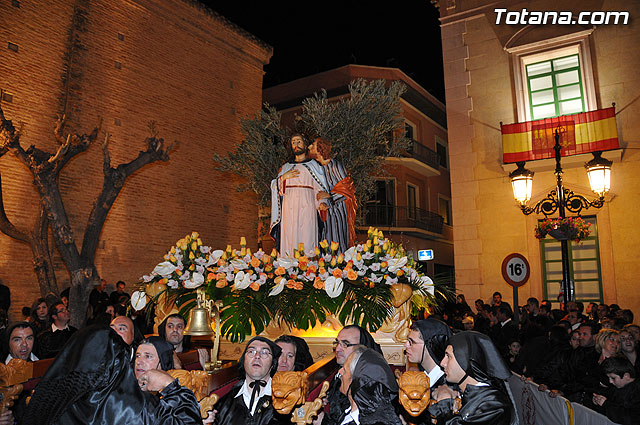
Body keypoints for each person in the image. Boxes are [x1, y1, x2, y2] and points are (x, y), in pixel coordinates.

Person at [22, 326, 201, 425]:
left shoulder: (53, 397)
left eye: (148, 356)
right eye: (137, 356)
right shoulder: (131, 407)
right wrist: (170, 385)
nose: (139, 362)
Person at [429, 331, 518, 425]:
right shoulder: (461, 392)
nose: (442, 363)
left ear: (464, 360)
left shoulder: (494, 404)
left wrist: (445, 404)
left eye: (448, 356)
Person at [270, 133, 330, 256]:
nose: (296, 145)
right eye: (293, 142)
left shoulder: (314, 166)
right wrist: (283, 178)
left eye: (299, 141)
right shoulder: (286, 167)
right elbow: (275, 187)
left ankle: (307, 268)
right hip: (289, 207)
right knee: (289, 235)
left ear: (305, 144)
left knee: (307, 235)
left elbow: (321, 188)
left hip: (307, 205)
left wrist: (322, 202)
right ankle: (288, 267)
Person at [213, 336, 282, 425]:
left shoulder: (285, 401)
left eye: (264, 352)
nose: (257, 356)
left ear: (273, 364)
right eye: (251, 352)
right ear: (244, 360)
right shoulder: (223, 404)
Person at [323, 325, 382, 425]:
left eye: (345, 344)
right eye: (337, 343)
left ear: (362, 348)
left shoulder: (372, 384)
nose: (338, 349)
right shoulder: (337, 374)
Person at [309, 137, 356, 253]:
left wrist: (329, 196)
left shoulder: (336, 166)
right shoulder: (317, 168)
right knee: (325, 240)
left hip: (338, 210)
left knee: (338, 239)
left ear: (320, 149)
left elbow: (347, 189)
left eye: (313, 146)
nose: (309, 147)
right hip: (324, 211)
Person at [339, 346, 402, 425]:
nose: (340, 371)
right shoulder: (347, 406)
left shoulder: (370, 421)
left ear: (356, 382)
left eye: (344, 370)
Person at [404, 319, 452, 389]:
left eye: (411, 341)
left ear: (430, 345)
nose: (406, 345)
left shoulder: (445, 386)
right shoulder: (425, 376)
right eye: (407, 340)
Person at [593, 356, 640, 424]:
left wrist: (606, 404)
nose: (610, 381)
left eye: (613, 378)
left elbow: (629, 418)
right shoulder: (616, 388)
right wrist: (598, 402)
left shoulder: (637, 392)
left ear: (626, 376)